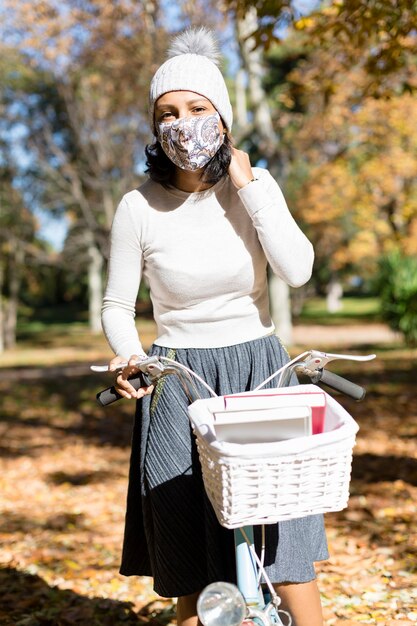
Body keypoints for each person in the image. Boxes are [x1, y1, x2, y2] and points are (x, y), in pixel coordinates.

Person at [101, 27, 327, 626]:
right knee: (191, 552)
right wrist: (130, 358)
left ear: (222, 117)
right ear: (154, 128)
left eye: (198, 108)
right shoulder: (138, 207)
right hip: (178, 378)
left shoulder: (255, 189)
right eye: (167, 113)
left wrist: (249, 186)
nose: (183, 123)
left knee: (288, 546)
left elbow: (298, 270)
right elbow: (116, 306)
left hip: (259, 370)